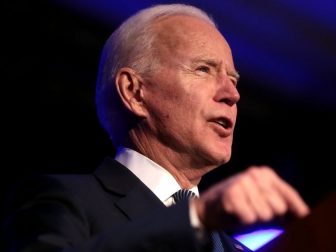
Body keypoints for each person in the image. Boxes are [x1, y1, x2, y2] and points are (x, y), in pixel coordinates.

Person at [1, 3, 310, 252]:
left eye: (233, 79)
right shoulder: (65, 201)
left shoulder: (233, 247)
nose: (233, 94)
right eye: (203, 69)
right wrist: (196, 218)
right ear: (135, 92)